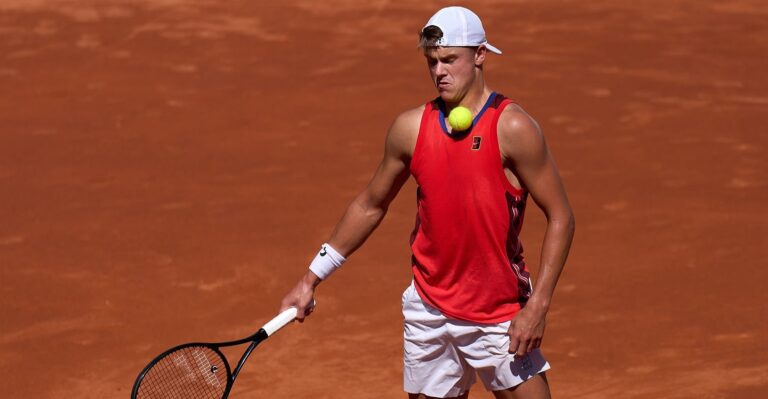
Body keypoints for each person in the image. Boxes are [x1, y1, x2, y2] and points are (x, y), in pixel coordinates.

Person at [280, 6, 575, 399]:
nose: (439, 72)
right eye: (432, 61)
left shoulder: (513, 128)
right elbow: (370, 205)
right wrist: (310, 279)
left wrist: (538, 306)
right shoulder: (411, 128)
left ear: (480, 55)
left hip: (498, 312)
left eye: (450, 60)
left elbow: (561, 217)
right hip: (429, 310)